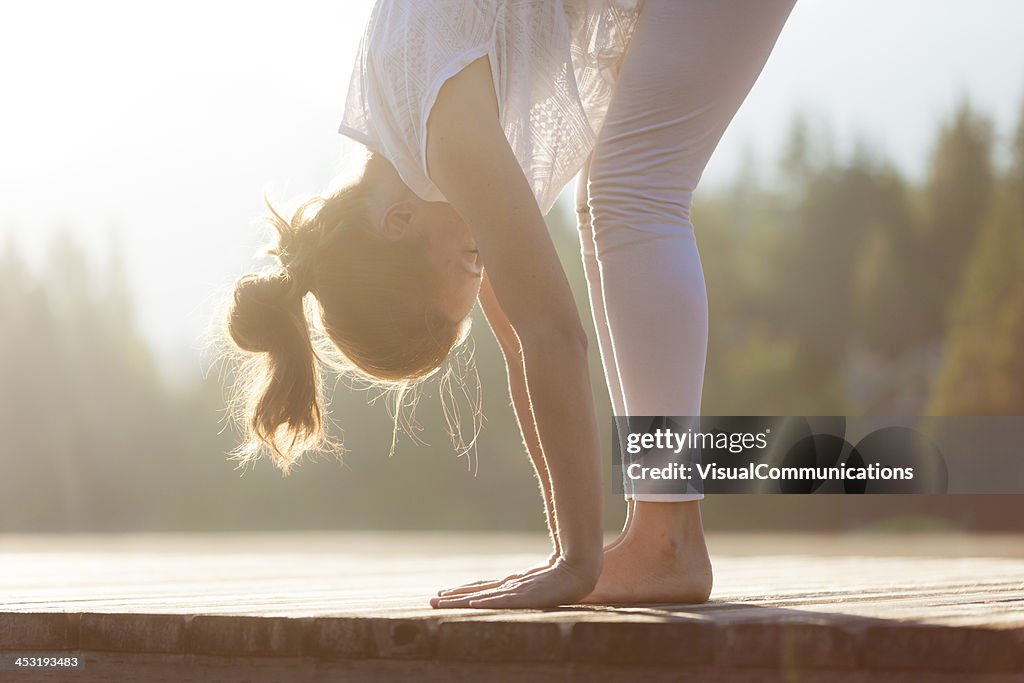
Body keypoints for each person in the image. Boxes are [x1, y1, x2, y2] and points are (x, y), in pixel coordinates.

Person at [224, 0, 795, 608]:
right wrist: (565, 550)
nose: (484, 258)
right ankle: (661, 537)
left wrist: (577, 565)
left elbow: (553, 334)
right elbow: (524, 345)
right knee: (614, 197)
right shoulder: (412, 156)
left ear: (399, 224)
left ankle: (666, 540)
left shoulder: (443, 133)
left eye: (470, 260)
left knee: (632, 194)